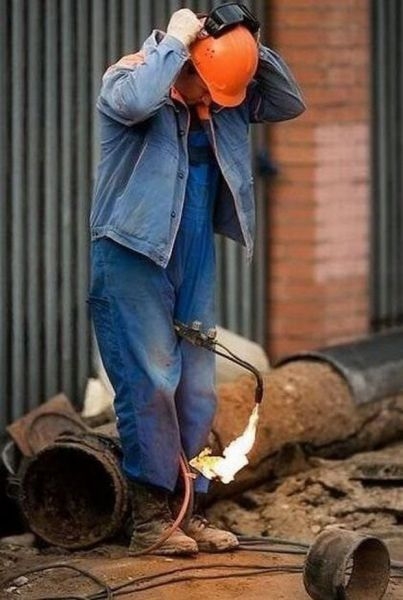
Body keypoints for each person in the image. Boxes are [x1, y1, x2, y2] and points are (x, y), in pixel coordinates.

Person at [89, 6, 305, 556]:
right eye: (206, 88)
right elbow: (134, 102)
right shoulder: (131, 79)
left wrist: (245, 45)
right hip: (132, 253)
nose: (214, 103)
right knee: (151, 382)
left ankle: (190, 510)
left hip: (192, 253)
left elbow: (288, 101)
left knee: (197, 390)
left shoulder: (223, 99)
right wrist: (176, 41)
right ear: (185, 64)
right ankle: (151, 520)